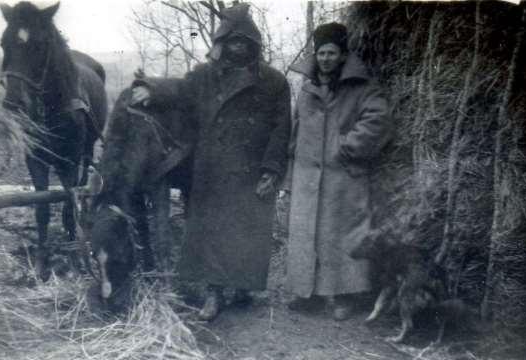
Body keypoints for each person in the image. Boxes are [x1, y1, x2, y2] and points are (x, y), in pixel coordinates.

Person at [131, 4, 291, 321]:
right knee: (213, 233)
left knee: (246, 232)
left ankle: (242, 288)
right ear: (222, 43)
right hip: (212, 168)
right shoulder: (206, 77)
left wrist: (271, 169)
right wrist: (150, 88)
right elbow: (179, 88)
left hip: (251, 169)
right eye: (232, 41)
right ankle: (214, 294)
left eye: (244, 41)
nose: (238, 47)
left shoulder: (274, 82)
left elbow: (281, 128)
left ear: (254, 43)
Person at [284, 22, 392, 321]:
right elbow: (296, 127)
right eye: (321, 53)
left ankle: (345, 296)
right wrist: (292, 169)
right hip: (308, 176)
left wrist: (345, 146)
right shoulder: (307, 88)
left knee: (342, 236)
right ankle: (307, 294)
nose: (325, 59)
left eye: (331, 53)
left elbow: (378, 121)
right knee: (308, 235)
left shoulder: (363, 87)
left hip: (344, 176)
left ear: (343, 55)